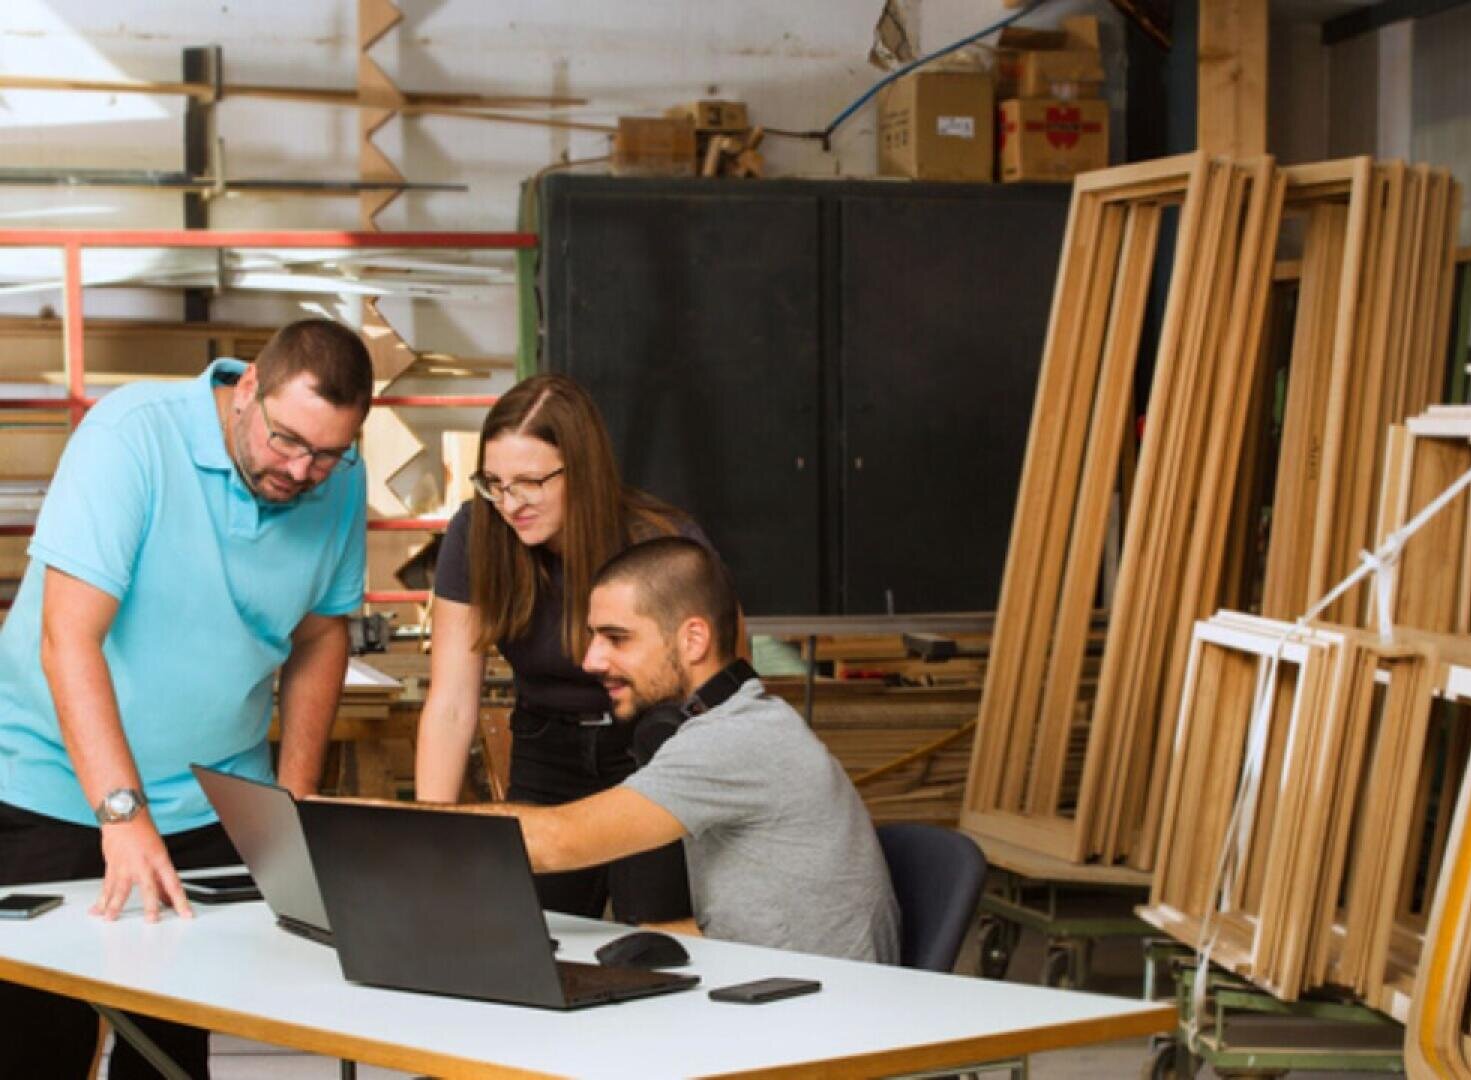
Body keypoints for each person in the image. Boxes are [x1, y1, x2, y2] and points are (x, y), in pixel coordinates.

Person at [0, 319, 372, 1080]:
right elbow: (69, 640)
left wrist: (292, 798)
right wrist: (124, 814)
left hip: (209, 802)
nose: (303, 471)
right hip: (49, 793)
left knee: (169, 1056)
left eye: (328, 454)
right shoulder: (131, 437)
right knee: (35, 1046)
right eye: (287, 441)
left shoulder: (340, 474)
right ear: (246, 392)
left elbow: (321, 637)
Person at [451, 536, 899, 963]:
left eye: (616, 638)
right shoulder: (743, 719)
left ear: (693, 640)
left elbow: (555, 842)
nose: (590, 660)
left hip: (814, 1014)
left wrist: (398, 827)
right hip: (773, 983)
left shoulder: (732, 741)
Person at [413, 374, 706, 925]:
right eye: (493, 483)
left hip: (653, 754)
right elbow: (451, 704)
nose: (509, 503)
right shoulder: (478, 532)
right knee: (530, 934)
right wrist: (434, 835)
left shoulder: (663, 544)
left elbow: (723, 702)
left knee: (659, 939)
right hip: (545, 751)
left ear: (583, 470)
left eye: (530, 482)